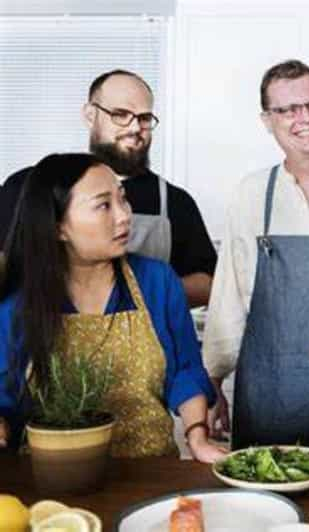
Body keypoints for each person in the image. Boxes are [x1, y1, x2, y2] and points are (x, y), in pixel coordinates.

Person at [0, 153, 225, 462]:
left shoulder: (157, 281)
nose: (124, 216)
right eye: (104, 205)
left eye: (123, 200)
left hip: (152, 471)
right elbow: (5, 399)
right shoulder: (19, 307)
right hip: (52, 477)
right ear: (58, 227)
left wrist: (197, 436)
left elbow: (185, 372)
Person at [202, 60, 309, 451]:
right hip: (268, 392)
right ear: (267, 120)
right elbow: (230, 292)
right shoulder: (252, 193)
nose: (305, 118)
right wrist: (211, 379)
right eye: (288, 109)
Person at [0, 70, 216, 307]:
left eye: (144, 118)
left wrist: (144, 293)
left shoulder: (176, 202)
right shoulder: (26, 187)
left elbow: (208, 283)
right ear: (90, 115)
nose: (135, 128)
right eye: (120, 114)